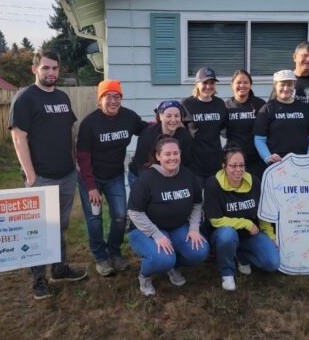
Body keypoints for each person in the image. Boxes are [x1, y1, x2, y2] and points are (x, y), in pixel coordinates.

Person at [8, 49, 87, 300]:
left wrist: (74, 162)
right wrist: (31, 177)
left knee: (59, 226)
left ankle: (60, 269)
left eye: (55, 68)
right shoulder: (25, 98)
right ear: (35, 69)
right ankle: (38, 279)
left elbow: (69, 132)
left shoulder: (63, 97)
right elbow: (19, 138)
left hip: (66, 175)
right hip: (41, 177)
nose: (51, 72)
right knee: (39, 229)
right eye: (46, 68)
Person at [76, 80, 147, 277]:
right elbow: (82, 156)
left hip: (115, 176)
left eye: (117, 97)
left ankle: (114, 252)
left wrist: (166, 122)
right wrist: (91, 187)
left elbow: (146, 129)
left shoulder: (128, 117)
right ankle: (100, 257)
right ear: (100, 100)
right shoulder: (90, 123)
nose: (113, 101)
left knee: (119, 216)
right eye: (108, 97)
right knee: (94, 218)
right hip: (90, 177)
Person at [127, 137, 209, 296]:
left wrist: (193, 228)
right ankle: (145, 275)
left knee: (199, 251)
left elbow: (197, 204)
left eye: (175, 153)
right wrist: (156, 235)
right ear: (158, 156)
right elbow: (135, 212)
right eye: (167, 154)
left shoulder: (187, 175)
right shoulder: (146, 179)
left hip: (177, 227)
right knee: (162, 258)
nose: (172, 157)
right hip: (144, 230)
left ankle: (172, 267)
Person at [204, 146, 279, 291]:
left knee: (273, 263)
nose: (238, 170)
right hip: (223, 235)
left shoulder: (254, 182)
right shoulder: (213, 184)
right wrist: (244, 223)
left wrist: (270, 235)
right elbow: (215, 219)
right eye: (233, 166)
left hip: (249, 236)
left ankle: (241, 255)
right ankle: (227, 272)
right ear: (224, 166)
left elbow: (262, 212)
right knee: (227, 235)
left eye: (241, 165)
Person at [254, 70, 309, 166]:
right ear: (275, 86)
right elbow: (259, 139)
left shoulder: (305, 108)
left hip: (302, 163)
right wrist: (268, 157)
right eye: (282, 85)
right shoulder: (267, 109)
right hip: (277, 164)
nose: (286, 88)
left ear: (294, 85)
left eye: (289, 85)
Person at [181, 67, 228, 188]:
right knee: (196, 202)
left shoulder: (219, 104)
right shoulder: (187, 104)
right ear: (197, 84)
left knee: (213, 201)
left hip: (215, 163)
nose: (208, 86)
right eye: (204, 83)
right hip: (194, 164)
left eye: (211, 83)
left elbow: (224, 130)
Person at [128, 100, 192, 187]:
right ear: (160, 116)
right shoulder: (147, 135)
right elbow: (141, 165)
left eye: (177, 116)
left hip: (170, 175)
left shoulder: (184, 135)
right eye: (168, 116)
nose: (173, 120)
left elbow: (186, 163)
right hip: (141, 174)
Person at [225, 70, 267, 178]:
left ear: (250, 85)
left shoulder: (260, 104)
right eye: (238, 82)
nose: (242, 85)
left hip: (256, 159)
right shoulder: (226, 106)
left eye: (245, 82)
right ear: (232, 85)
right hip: (234, 161)